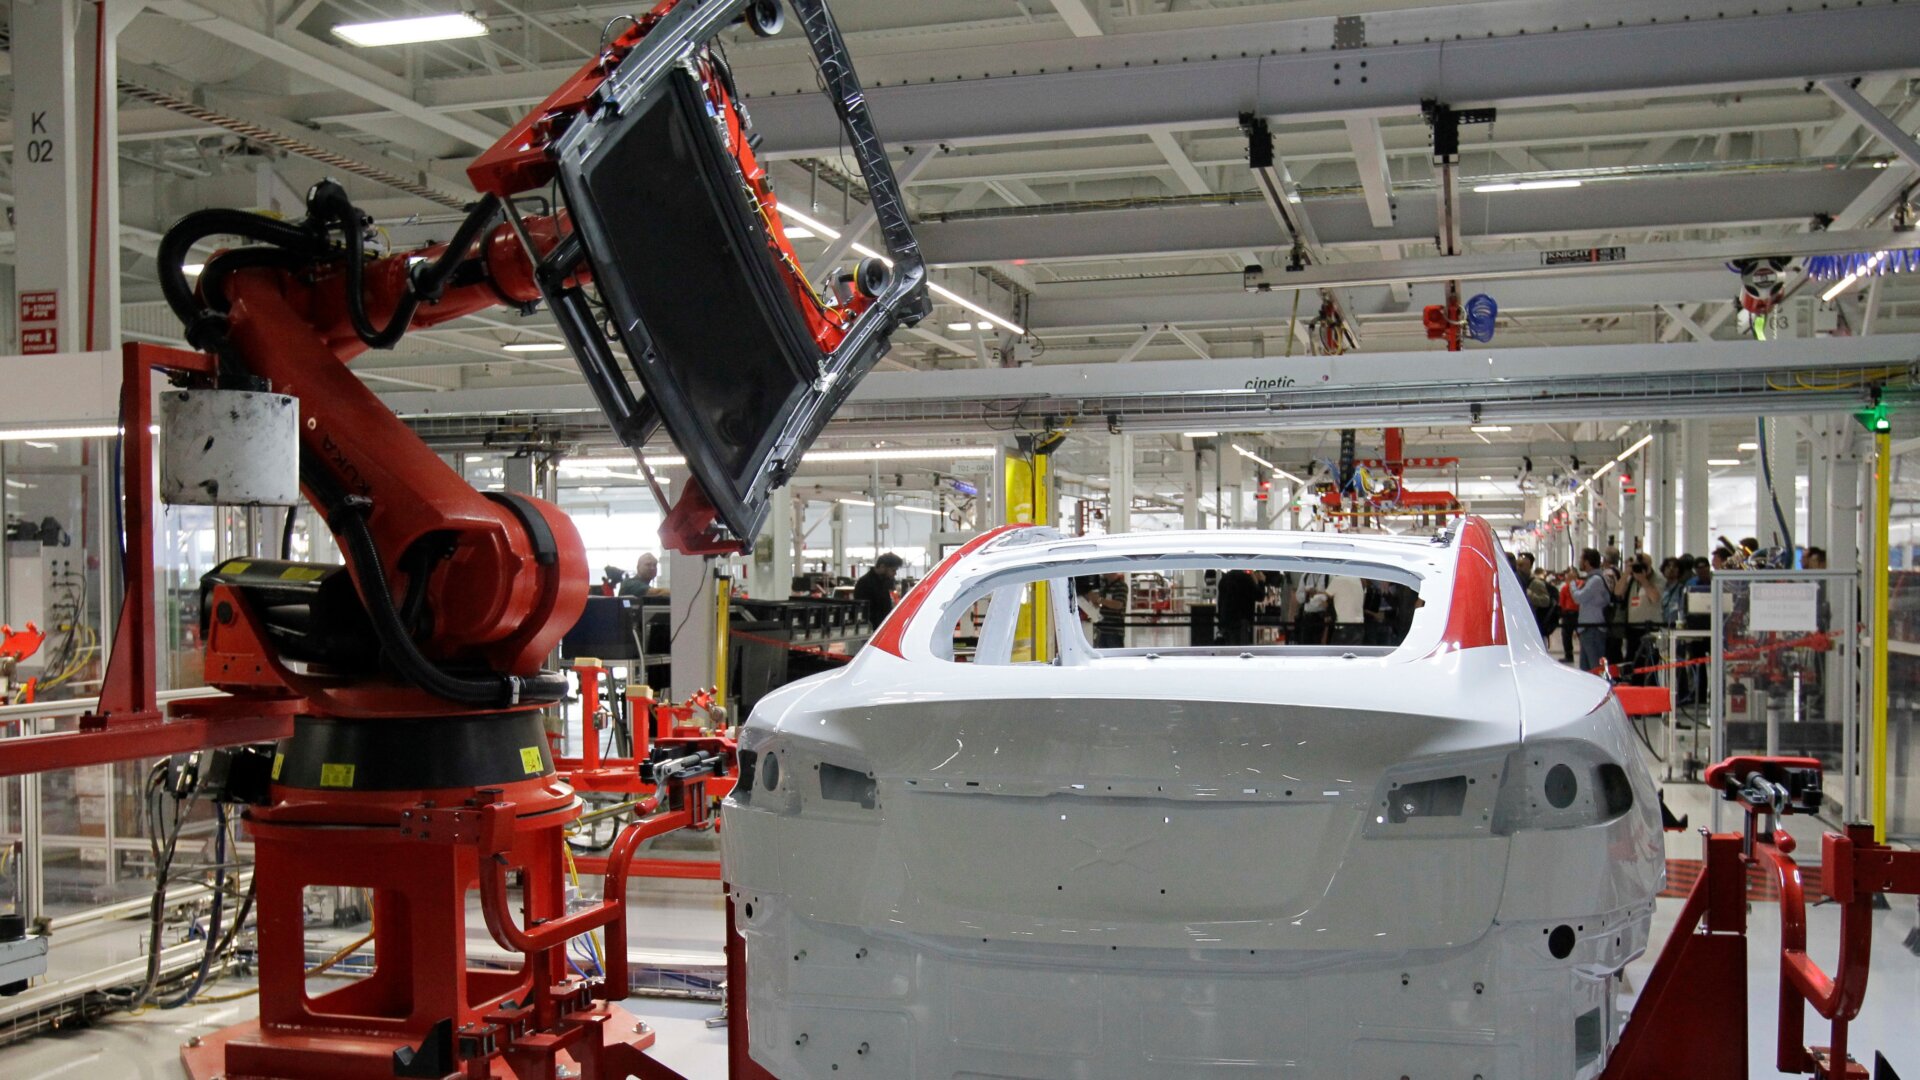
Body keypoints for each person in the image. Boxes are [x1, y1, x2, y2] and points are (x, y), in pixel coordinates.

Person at [1573, 548, 1611, 673]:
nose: (1579, 562)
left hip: (1593, 629)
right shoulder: (1592, 579)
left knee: (1595, 668)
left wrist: (1572, 583)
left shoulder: (1596, 580)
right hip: (1587, 628)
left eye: (1581, 559)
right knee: (1586, 668)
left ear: (1587, 562)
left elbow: (1579, 597)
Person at [854, 553, 903, 625]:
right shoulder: (864, 583)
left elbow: (895, 599)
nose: (895, 573)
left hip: (888, 623)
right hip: (874, 627)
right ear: (882, 566)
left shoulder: (889, 581)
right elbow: (863, 610)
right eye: (893, 570)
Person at [1217, 568, 1261, 646]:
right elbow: (1259, 596)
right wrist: (1261, 582)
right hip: (1242, 619)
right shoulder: (1246, 579)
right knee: (1241, 646)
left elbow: (1220, 601)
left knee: (1229, 646)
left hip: (1226, 619)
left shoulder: (1224, 579)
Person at [1096, 571, 1129, 648]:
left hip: (1114, 631)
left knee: (1115, 656)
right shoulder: (1104, 586)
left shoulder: (1121, 586)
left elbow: (1118, 605)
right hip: (1102, 630)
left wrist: (1100, 600)